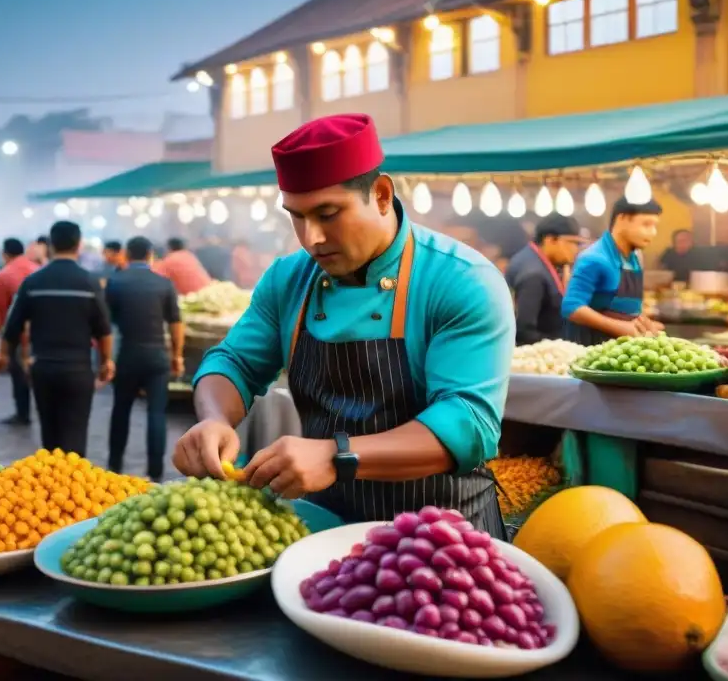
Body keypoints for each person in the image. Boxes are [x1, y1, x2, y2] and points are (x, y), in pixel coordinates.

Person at [172, 114, 515, 534]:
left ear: (382, 195)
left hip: (447, 537)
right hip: (326, 531)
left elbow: (467, 423)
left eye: (328, 213)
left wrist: (338, 457)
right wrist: (214, 420)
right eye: (296, 217)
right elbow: (233, 363)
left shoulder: (460, 280)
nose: (310, 238)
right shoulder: (288, 278)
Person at [0, 221, 114, 455]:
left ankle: (52, 484)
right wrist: (106, 361)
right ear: (79, 244)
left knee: (50, 437)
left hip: (43, 369)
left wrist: (3, 355)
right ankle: (72, 487)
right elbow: (104, 330)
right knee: (76, 435)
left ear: (50, 245)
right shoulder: (89, 283)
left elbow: (12, 326)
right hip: (78, 370)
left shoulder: (34, 282)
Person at [105, 236, 185, 482]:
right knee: (156, 414)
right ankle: (155, 471)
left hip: (127, 354)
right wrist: (177, 355)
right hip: (156, 356)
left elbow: (106, 325)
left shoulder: (115, 282)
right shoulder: (164, 284)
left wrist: (106, 359)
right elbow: (176, 323)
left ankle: (114, 465)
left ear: (127, 255)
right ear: (150, 254)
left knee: (121, 410)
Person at [562, 197, 665, 345]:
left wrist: (643, 324)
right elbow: (572, 307)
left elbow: (624, 307)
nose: (653, 232)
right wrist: (621, 327)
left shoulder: (634, 259)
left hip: (622, 350)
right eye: (646, 224)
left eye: (655, 226)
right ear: (622, 219)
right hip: (591, 349)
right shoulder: (594, 258)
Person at [504, 215, 583, 345]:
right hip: (536, 356)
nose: (576, 250)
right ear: (550, 240)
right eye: (572, 243)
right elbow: (524, 331)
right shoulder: (533, 274)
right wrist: (562, 348)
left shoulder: (530, 258)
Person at [0, 238, 38, 425]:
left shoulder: (3, 276)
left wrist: (3, 344)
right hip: (42, 334)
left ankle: (23, 413)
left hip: (18, 336)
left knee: (19, 376)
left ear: (5, 254)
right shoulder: (37, 270)